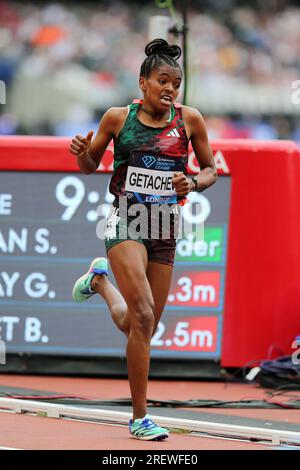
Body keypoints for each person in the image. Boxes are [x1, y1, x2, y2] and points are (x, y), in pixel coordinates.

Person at [69, 38, 217, 441]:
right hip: (126, 221)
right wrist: (82, 152)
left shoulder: (191, 121)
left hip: (165, 226)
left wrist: (194, 182)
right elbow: (87, 166)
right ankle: (139, 419)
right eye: (162, 81)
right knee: (146, 315)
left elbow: (209, 170)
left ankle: (99, 283)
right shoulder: (118, 118)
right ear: (143, 83)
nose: (170, 90)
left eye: (176, 84)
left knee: (140, 326)